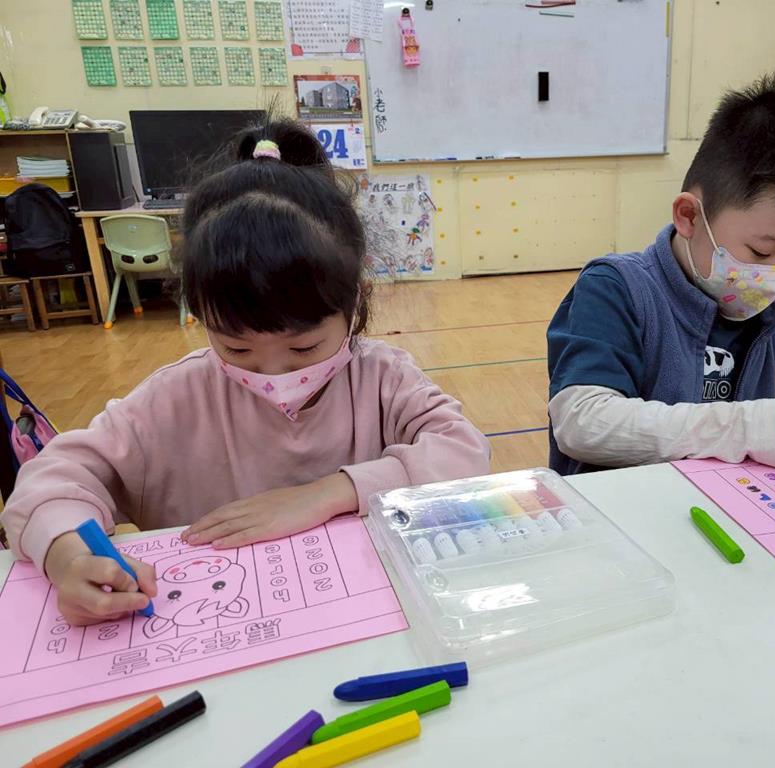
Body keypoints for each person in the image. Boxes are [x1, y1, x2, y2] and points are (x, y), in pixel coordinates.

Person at [0, 120, 491, 625]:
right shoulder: (175, 398)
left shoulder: (381, 377)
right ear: (200, 314)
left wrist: (331, 493)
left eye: (303, 347)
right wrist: (69, 555)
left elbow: (465, 453)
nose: (274, 373)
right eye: (236, 347)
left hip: (370, 622)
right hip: (217, 632)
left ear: (355, 300)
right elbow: (52, 481)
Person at [547, 72, 775, 476]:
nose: (774, 277)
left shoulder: (767, 326)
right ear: (689, 216)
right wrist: (753, 429)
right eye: (761, 251)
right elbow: (582, 423)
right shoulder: (617, 288)